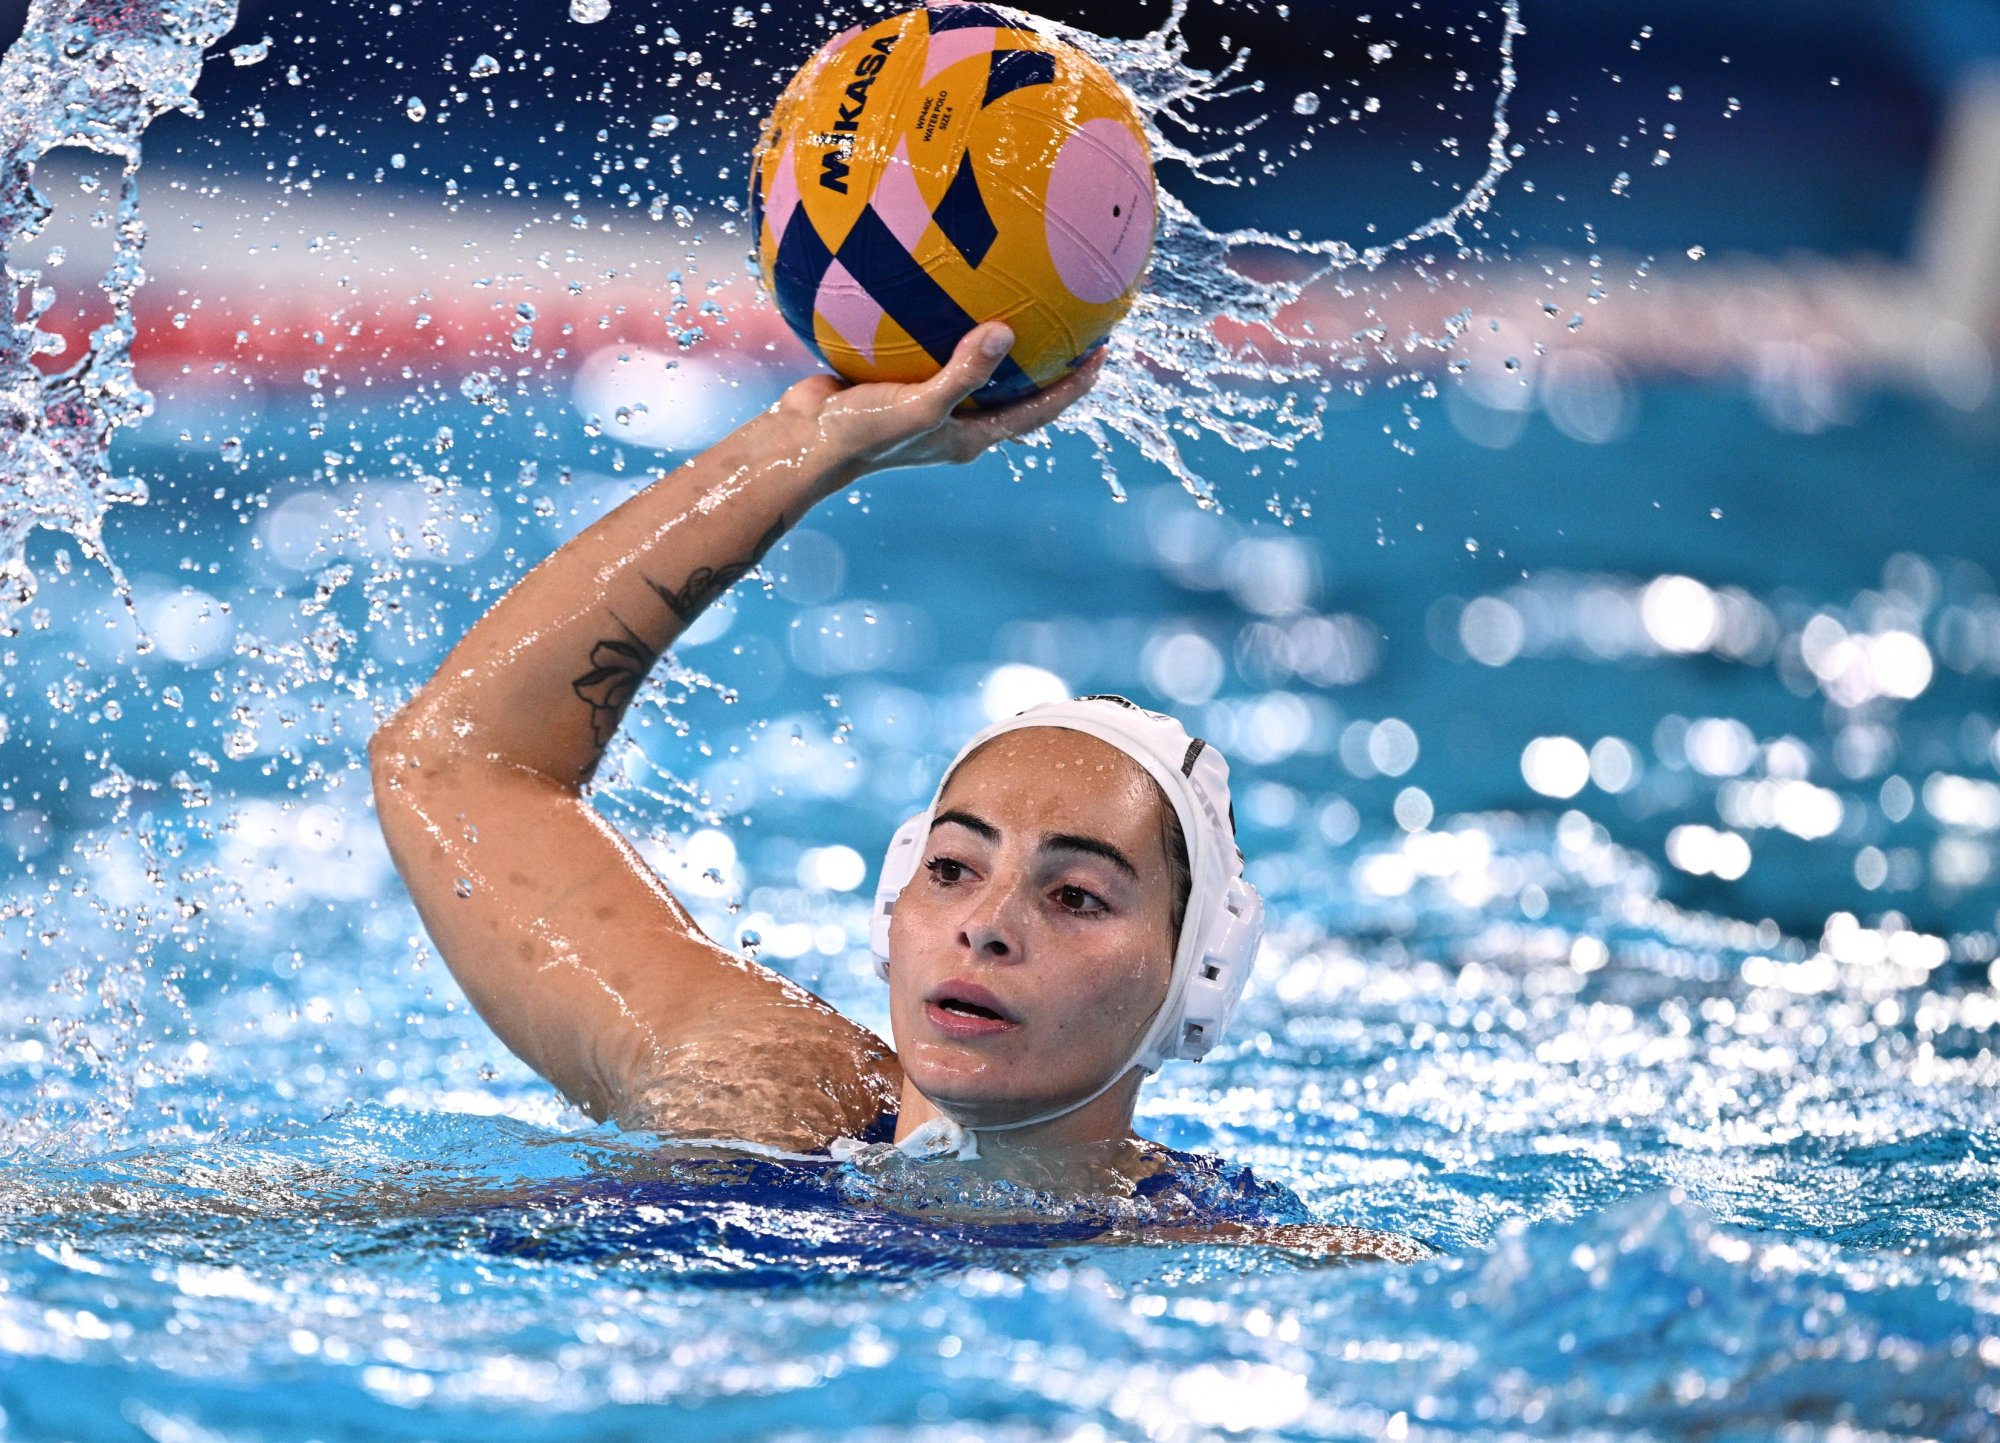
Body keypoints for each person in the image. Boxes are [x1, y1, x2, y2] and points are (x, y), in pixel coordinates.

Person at [369, 323, 1419, 1258]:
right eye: (953, 868)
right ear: (891, 906)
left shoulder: (1239, 1258)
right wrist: (799, 451)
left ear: (1198, 979)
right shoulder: (766, 1091)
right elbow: (455, 765)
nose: (986, 926)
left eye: (1074, 895)